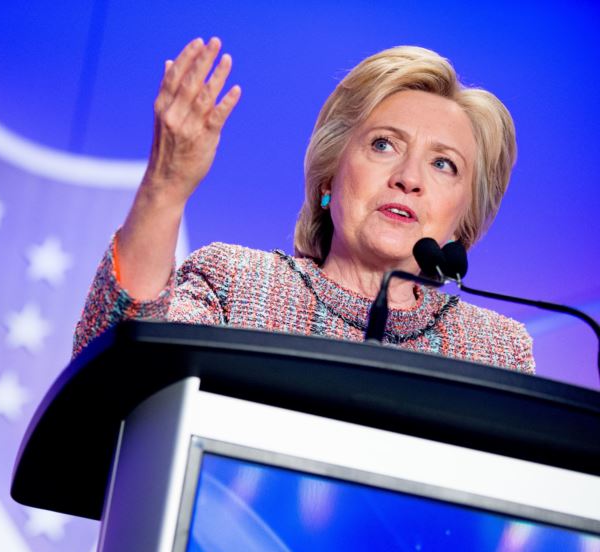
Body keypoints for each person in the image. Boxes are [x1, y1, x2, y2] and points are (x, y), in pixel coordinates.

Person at [73, 38, 534, 373]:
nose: (408, 178)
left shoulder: (495, 351)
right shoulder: (236, 286)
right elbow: (112, 378)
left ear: (463, 220)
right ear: (329, 176)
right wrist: (166, 187)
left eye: (443, 164)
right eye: (383, 145)